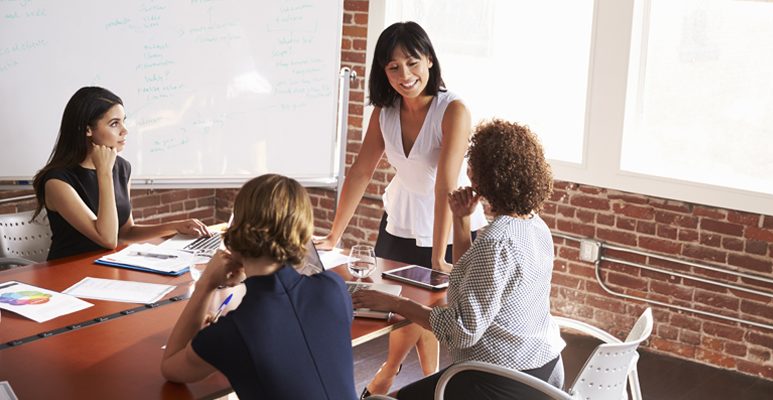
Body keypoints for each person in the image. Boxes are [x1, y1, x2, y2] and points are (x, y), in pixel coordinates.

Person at [315, 21, 488, 397]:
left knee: (428, 307)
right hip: (402, 220)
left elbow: (445, 184)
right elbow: (362, 171)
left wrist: (441, 255)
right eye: (393, 67)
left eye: (412, 63)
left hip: (449, 222)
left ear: (429, 59)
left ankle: (390, 372)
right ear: (383, 71)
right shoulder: (384, 113)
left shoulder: (453, 110)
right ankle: (431, 382)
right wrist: (333, 235)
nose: (405, 75)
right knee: (403, 307)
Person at [353, 119, 566, 400]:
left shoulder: (495, 242)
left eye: (472, 164)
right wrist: (461, 221)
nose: (467, 170)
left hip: (499, 382)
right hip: (545, 373)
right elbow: (473, 282)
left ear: (489, 178)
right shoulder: (535, 227)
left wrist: (395, 303)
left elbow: (460, 331)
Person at [161, 173, 356, 399]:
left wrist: (206, 284)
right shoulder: (333, 287)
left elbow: (171, 367)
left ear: (237, 231)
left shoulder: (233, 331)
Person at [32, 86, 208, 260]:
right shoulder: (57, 181)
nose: (125, 130)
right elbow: (108, 239)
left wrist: (176, 226)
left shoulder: (122, 168)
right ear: (87, 130)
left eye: (123, 121)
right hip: (65, 274)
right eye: (114, 123)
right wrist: (104, 173)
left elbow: (125, 232)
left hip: (108, 268)